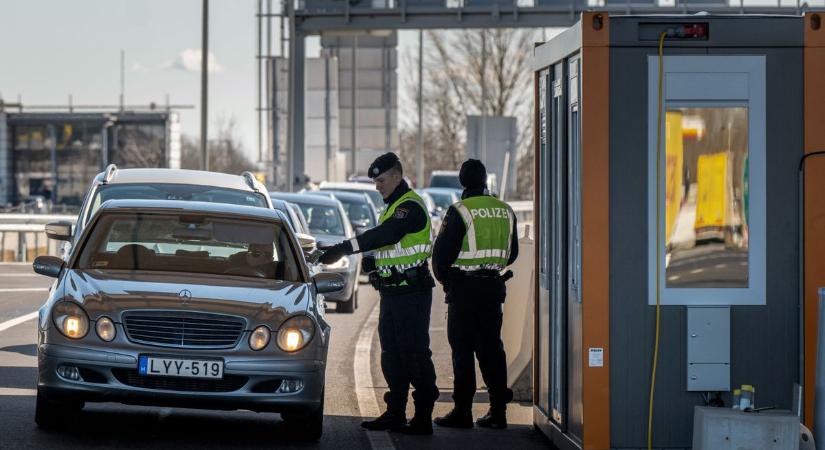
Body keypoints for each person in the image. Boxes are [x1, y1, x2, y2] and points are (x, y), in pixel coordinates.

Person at [319, 152, 439, 435]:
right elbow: (391, 246)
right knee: (392, 356)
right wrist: (376, 264)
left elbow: (386, 235)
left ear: (397, 176)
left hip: (412, 293)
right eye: (375, 181)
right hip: (393, 292)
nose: (377, 186)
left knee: (415, 355)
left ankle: (422, 417)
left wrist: (344, 248)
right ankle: (395, 412)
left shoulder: (408, 207)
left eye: (381, 180)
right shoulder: (393, 205)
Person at [431, 159, 519, 430]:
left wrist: (448, 281)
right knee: (492, 349)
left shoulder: (460, 210)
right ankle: (498, 411)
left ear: (462, 182)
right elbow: (512, 253)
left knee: (463, 351)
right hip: (493, 288)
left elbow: (441, 257)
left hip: (464, 289)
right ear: (485, 181)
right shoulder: (505, 210)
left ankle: (462, 412)